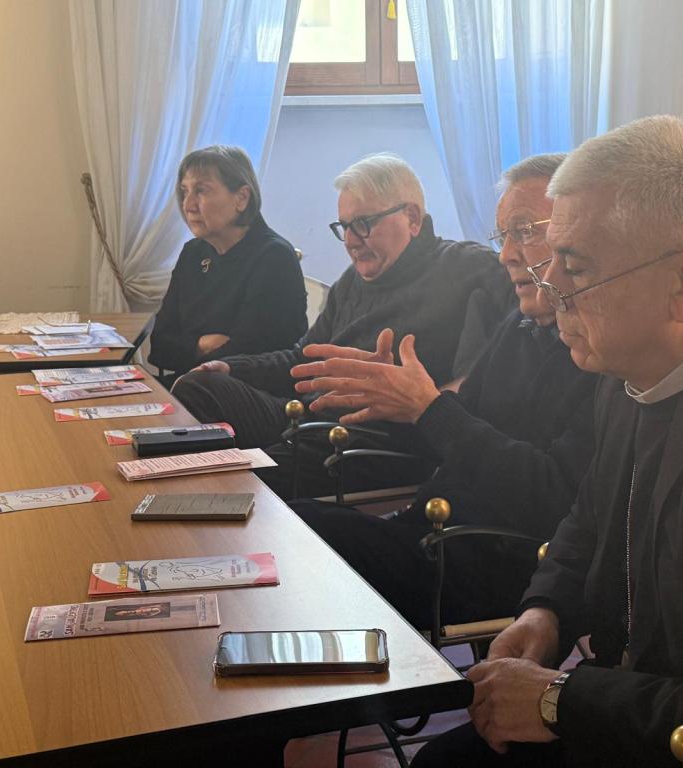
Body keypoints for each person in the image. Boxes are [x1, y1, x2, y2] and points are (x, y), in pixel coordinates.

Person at [413, 116, 683, 767]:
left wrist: (560, 701)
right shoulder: (632, 364)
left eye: (574, 265)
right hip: (637, 706)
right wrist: (546, 610)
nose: (549, 287)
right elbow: (592, 517)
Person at [285, 154, 598, 628]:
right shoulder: (520, 326)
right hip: (432, 527)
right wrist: (393, 394)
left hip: (497, 558)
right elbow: (459, 423)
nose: (507, 255)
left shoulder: (601, 359)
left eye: (526, 230)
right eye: (504, 236)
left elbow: (551, 495)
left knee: (293, 540)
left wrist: (428, 407)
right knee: (285, 524)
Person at [172, 152, 514, 496]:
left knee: (246, 480)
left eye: (363, 223)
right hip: (309, 419)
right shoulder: (352, 281)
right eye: (344, 226)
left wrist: (437, 396)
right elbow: (302, 358)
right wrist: (232, 369)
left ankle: (217, 506)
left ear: (411, 218)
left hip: (375, 441)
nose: (351, 240)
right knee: (200, 386)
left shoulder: (470, 267)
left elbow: (515, 349)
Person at [148, 145, 307, 385]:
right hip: (192, 383)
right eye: (184, 191)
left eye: (201, 191)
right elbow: (159, 345)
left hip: (245, 396)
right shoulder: (193, 253)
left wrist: (187, 347)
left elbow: (248, 356)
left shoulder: (273, 257)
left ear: (242, 198)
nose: (188, 205)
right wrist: (202, 344)